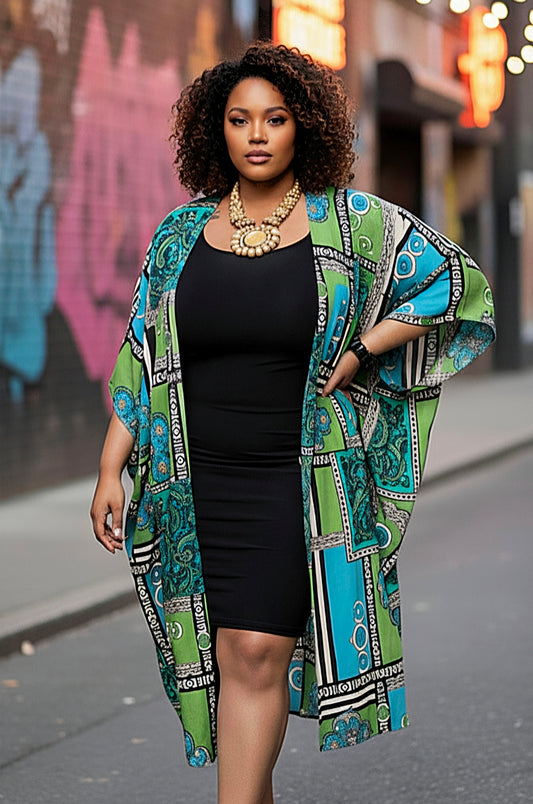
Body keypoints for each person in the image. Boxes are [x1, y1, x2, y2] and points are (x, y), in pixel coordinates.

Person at [90, 42, 495, 804]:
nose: (256, 134)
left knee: (253, 648)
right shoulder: (179, 235)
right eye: (239, 119)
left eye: (274, 119)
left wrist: (365, 348)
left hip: (297, 477)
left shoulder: (352, 225)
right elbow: (140, 354)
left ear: (301, 128)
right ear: (217, 131)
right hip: (192, 477)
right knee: (229, 657)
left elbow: (455, 285)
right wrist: (112, 467)